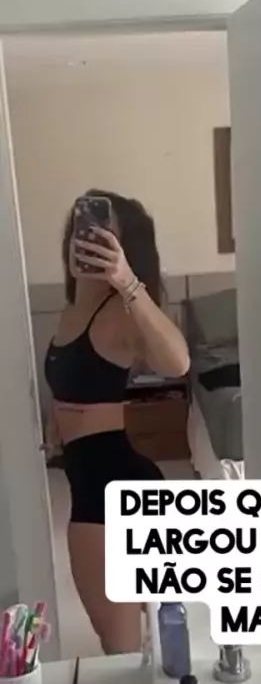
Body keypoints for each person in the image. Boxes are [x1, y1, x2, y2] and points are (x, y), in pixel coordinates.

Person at [44, 189, 190, 655]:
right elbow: (73, 388)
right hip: (104, 481)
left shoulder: (121, 311)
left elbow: (179, 362)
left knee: (124, 648)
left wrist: (126, 280)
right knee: (152, 640)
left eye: (100, 234)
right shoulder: (71, 312)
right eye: (78, 229)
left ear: (123, 248)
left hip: (110, 497)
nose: (82, 239)